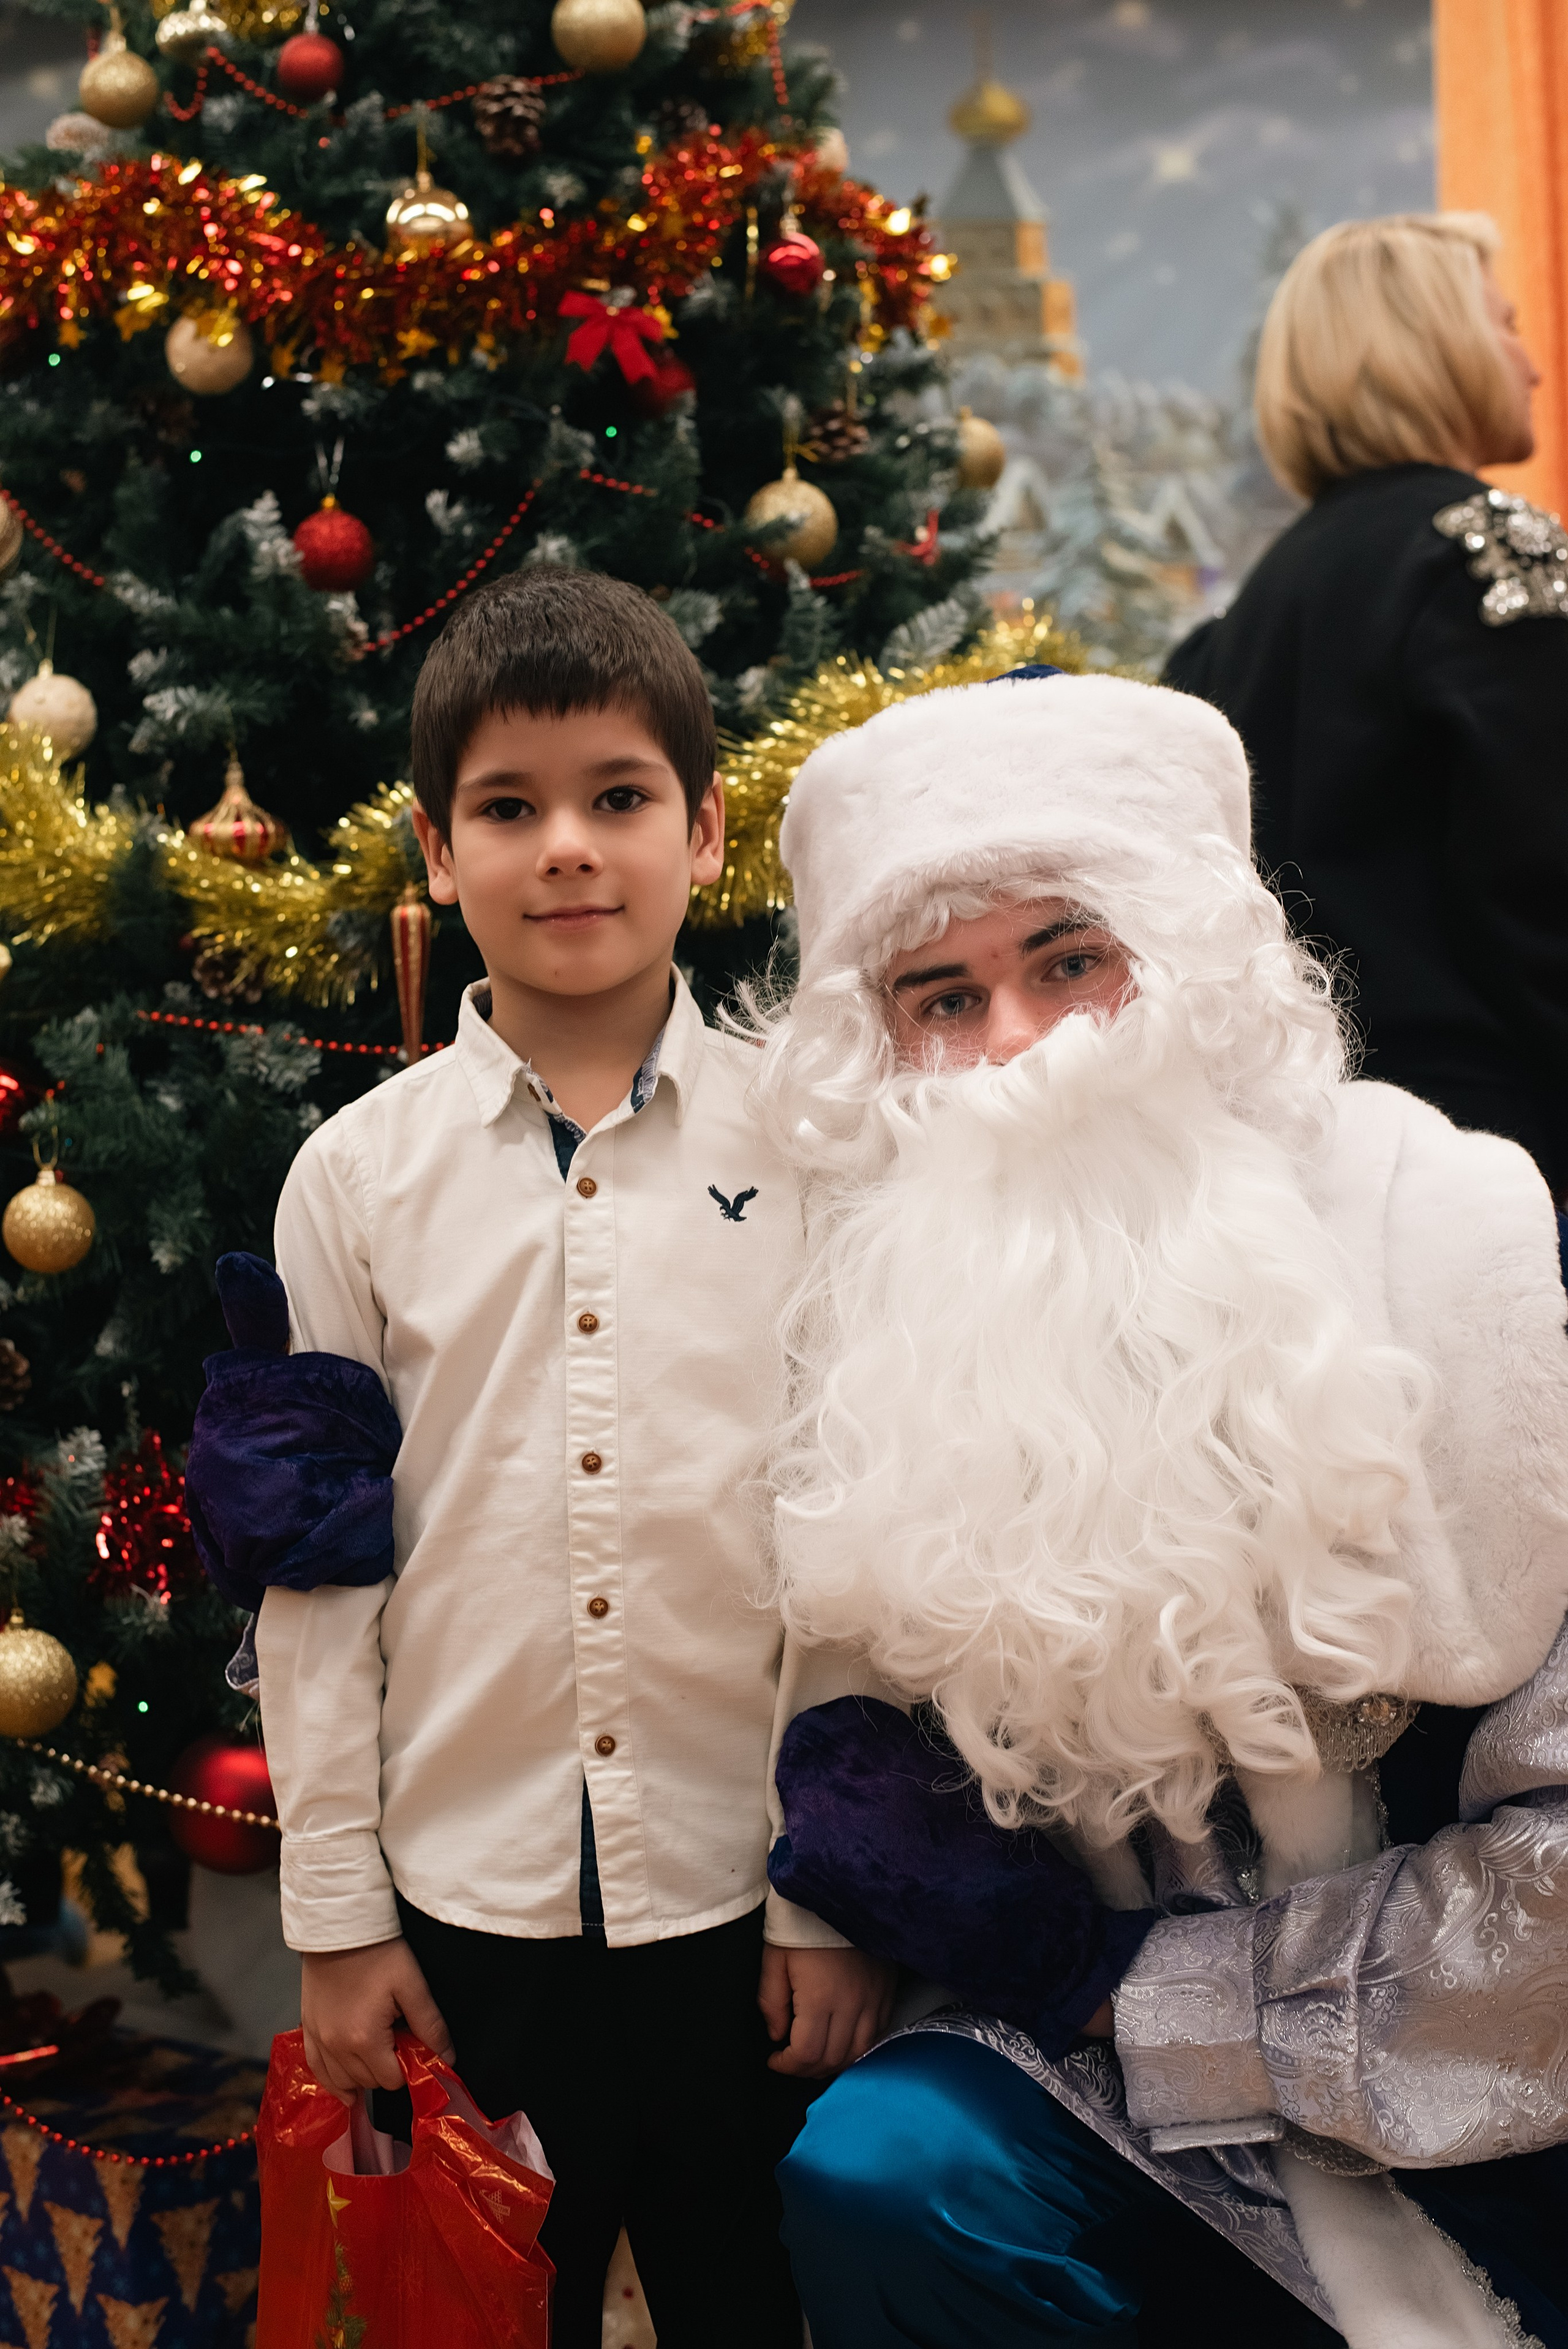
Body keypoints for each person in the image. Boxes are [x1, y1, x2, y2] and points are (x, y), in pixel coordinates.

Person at [747, 665, 1568, 2347]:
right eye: (944, 996)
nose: (1019, 1045)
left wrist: (1145, 1996)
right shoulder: (900, 1320)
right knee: (882, 2170)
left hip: (1481, 2096)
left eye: (1071, 962)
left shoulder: (1464, 1248)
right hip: (1105, 2085)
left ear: (1193, 969)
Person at [209, 568, 892, 2349]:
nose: (568, 847)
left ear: (706, 828)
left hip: (744, 1891)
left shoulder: (816, 1148)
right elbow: (311, 1563)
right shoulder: (354, 1179)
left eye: (618, 796)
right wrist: (337, 1911)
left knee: (756, 2300)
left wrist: (832, 1885)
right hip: (468, 1908)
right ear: (438, 852)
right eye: (508, 809)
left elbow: (858, 1538)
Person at [1163, 213, 1568, 1195]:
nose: (1531, 366)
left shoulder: (1258, 607)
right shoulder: (1485, 558)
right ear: (1435, 346)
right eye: (1506, 325)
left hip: (1305, 1158)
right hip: (1505, 1161)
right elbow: (1546, 888)